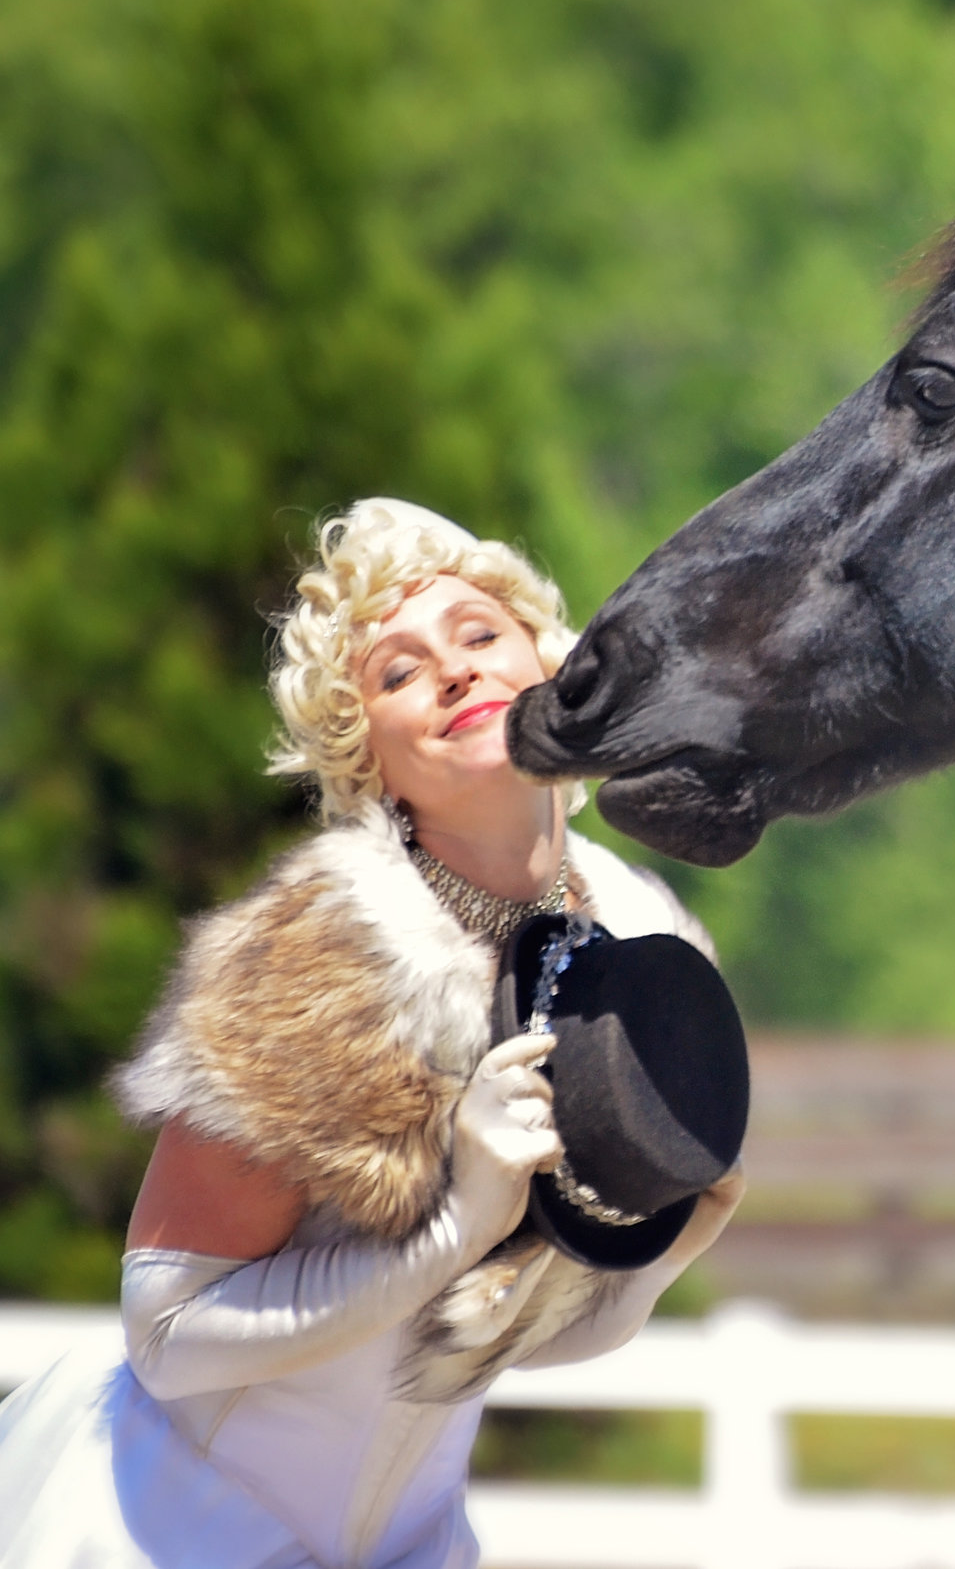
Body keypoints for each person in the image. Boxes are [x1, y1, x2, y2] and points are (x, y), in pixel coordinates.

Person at [0, 498, 744, 1568]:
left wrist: (667, 1245)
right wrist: (451, 1229)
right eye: (397, 671)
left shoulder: (636, 950)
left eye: (480, 635)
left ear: (549, 667)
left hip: (409, 1541)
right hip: (171, 1526)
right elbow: (164, 1336)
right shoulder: (323, 969)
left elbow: (509, 1345)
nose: (450, 671)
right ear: (370, 761)